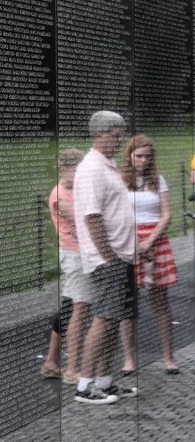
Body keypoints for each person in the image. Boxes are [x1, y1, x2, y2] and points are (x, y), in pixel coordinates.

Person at [73, 111, 137, 405]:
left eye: (122, 133)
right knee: (104, 319)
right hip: (108, 259)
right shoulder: (91, 168)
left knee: (112, 320)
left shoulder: (106, 165)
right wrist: (108, 256)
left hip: (121, 256)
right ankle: (85, 387)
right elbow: (92, 216)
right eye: (116, 134)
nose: (121, 139)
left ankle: (105, 381)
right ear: (99, 134)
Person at [120, 135, 179, 374]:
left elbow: (167, 214)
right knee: (129, 303)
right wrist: (134, 242)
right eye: (139, 155)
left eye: (147, 156)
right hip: (129, 241)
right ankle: (129, 359)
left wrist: (151, 240)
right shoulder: (120, 180)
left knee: (160, 301)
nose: (143, 160)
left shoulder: (158, 180)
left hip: (155, 240)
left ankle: (168, 357)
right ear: (130, 156)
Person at [41, 149, 91, 384]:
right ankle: (72, 368)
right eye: (76, 170)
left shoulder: (77, 190)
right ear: (63, 169)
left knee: (69, 307)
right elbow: (83, 220)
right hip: (74, 255)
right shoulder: (60, 195)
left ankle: (52, 362)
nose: (80, 175)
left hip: (82, 254)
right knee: (78, 308)